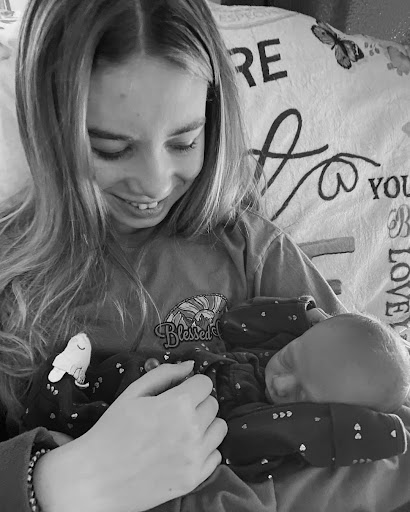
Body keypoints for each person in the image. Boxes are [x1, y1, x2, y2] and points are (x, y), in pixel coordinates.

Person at [0, 0, 399, 511]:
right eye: (111, 148)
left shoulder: (250, 248)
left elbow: (374, 400)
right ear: (49, 130)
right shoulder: (14, 281)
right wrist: (54, 484)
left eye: (185, 142)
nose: (154, 184)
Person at [20, 295, 410, 483]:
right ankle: (66, 390)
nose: (281, 383)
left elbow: (272, 434)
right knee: (115, 370)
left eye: (304, 396)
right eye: (290, 358)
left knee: (81, 421)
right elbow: (234, 324)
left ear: (326, 416)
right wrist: (300, 316)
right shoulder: (284, 352)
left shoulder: (273, 426)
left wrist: (378, 428)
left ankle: (58, 399)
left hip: (155, 431)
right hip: (147, 373)